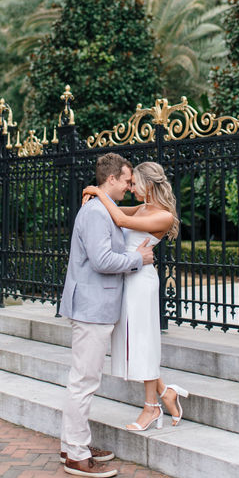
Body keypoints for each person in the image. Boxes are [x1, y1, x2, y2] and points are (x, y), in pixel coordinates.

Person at [59, 152, 155, 478]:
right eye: (127, 181)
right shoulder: (97, 213)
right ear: (111, 179)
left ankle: (74, 444)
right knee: (84, 380)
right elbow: (102, 261)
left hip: (93, 306)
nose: (129, 187)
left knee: (84, 379)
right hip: (91, 308)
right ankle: (75, 453)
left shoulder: (101, 208)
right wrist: (137, 258)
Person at [82, 161, 189, 431]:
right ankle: (166, 393)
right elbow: (114, 210)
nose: (131, 188)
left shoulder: (163, 215)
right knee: (136, 342)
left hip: (142, 282)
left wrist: (96, 190)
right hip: (127, 277)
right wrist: (97, 194)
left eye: (135, 183)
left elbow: (120, 220)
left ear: (149, 184)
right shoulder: (143, 207)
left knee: (143, 341)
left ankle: (151, 408)